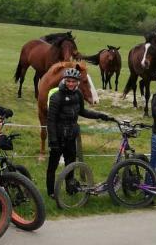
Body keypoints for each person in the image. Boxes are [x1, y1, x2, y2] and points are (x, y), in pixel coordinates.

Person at [46, 67, 113, 199]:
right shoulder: (56, 97)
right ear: (64, 81)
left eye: (74, 81)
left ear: (77, 82)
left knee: (70, 165)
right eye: (68, 81)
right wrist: (52, 140)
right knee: (52, 166)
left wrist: (99, 115)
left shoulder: (78, 95)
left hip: (71, 136)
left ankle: (69, 188)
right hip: (58, 137)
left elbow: (82, 112)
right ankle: (50, 192)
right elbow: (50, 121)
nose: (71, 84)